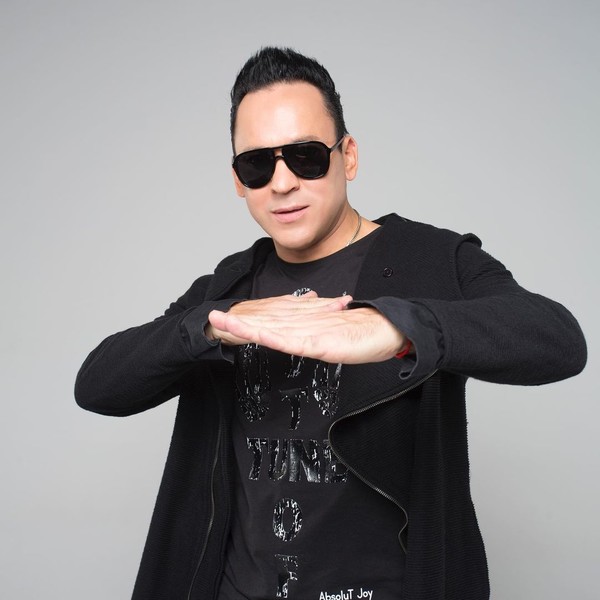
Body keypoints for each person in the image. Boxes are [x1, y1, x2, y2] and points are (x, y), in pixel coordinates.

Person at [75, 47, 587, 600]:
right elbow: (98, 385)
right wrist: (209, 325)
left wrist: (400, 328)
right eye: (257, 165)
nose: (282, 183)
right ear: (237, 180)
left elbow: (557, 338)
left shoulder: (433, 260)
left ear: (349, 156)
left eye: (306, 156)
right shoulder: (227, 288)